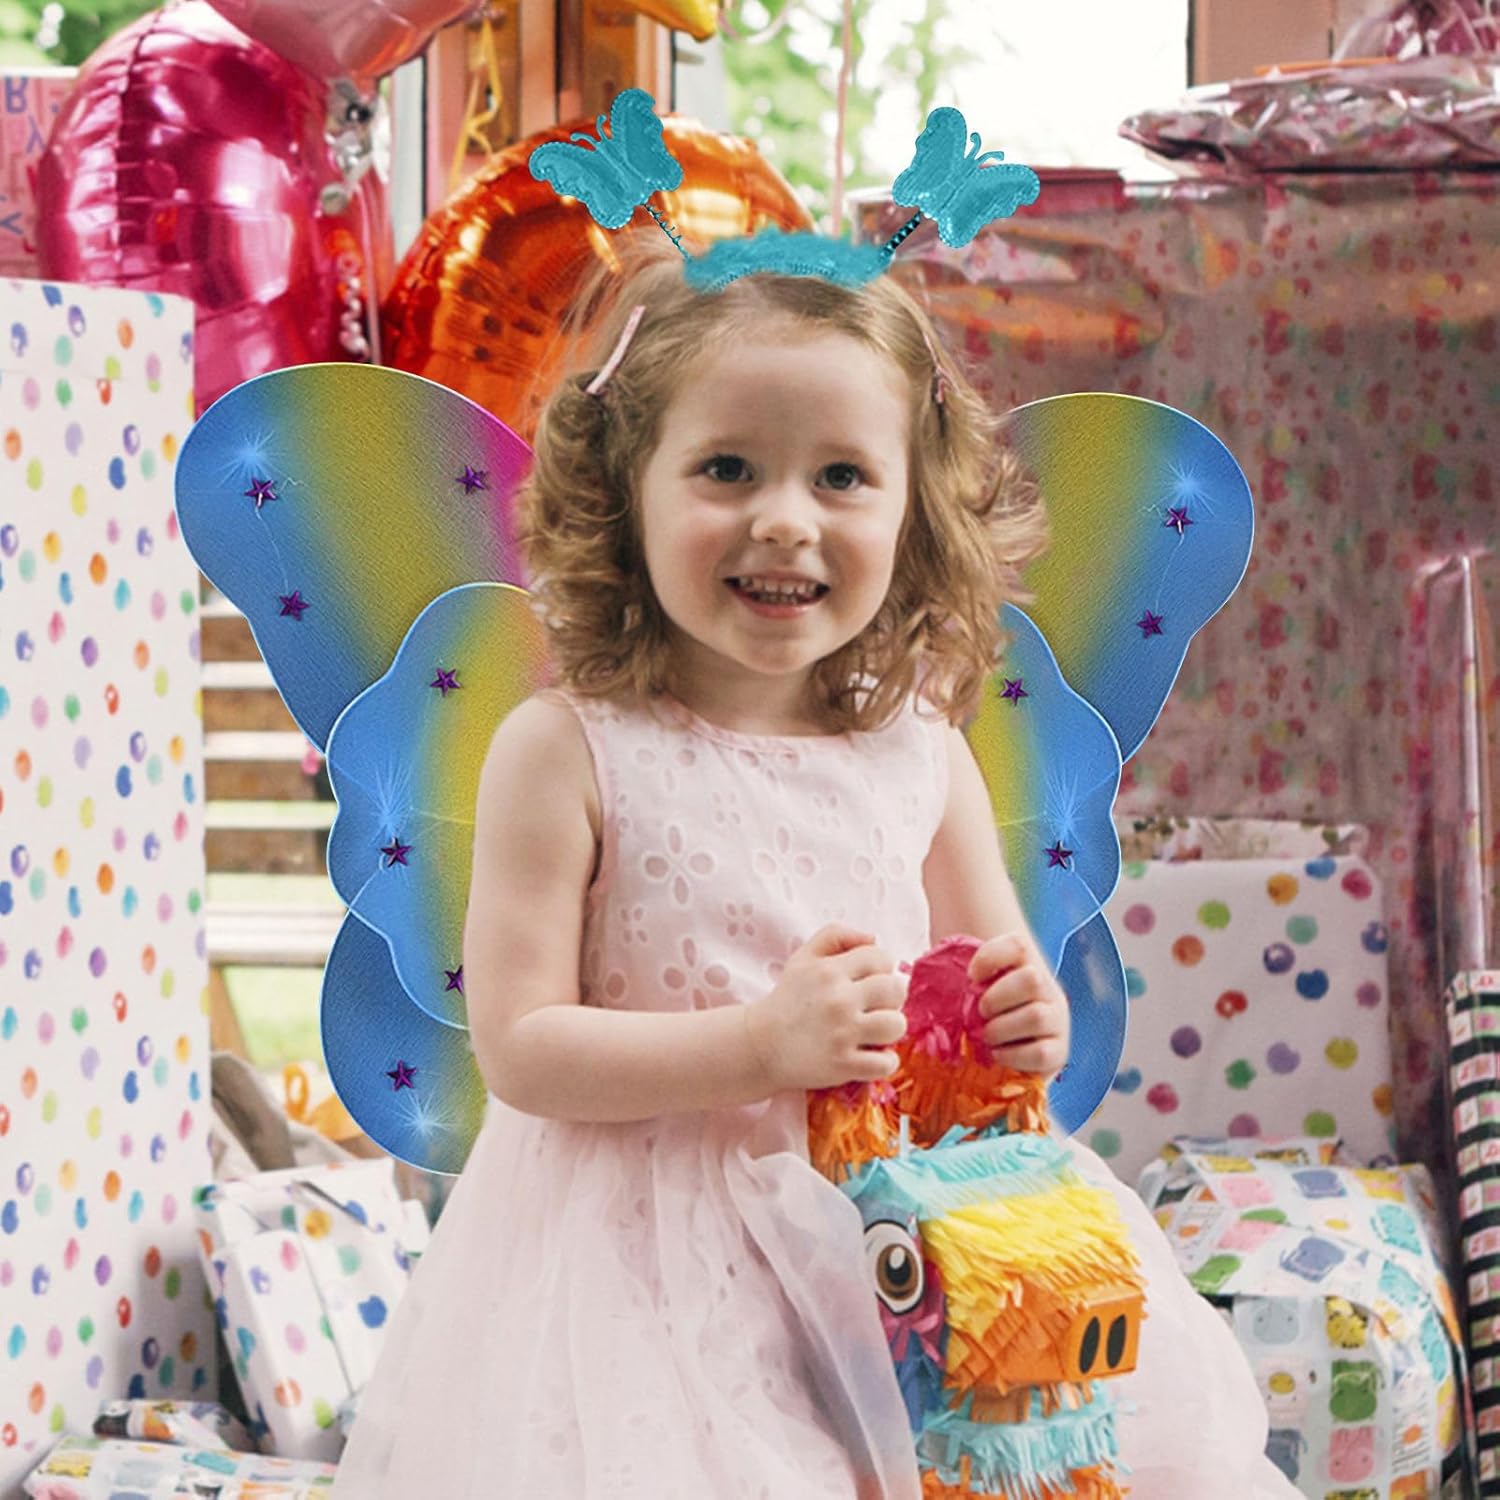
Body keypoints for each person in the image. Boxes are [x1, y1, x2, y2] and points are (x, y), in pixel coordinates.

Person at [331, 239, 1297, 1499]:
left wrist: (1028, 1018)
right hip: (645, 1265)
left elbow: (991, 989)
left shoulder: (920, 749)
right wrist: (759, 1046)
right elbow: (522, 1050)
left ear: (913, 509)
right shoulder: (566, 750)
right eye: (727, 468)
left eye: (842, 475)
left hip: (888, 1228)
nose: (784, 517)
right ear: (625, 489)